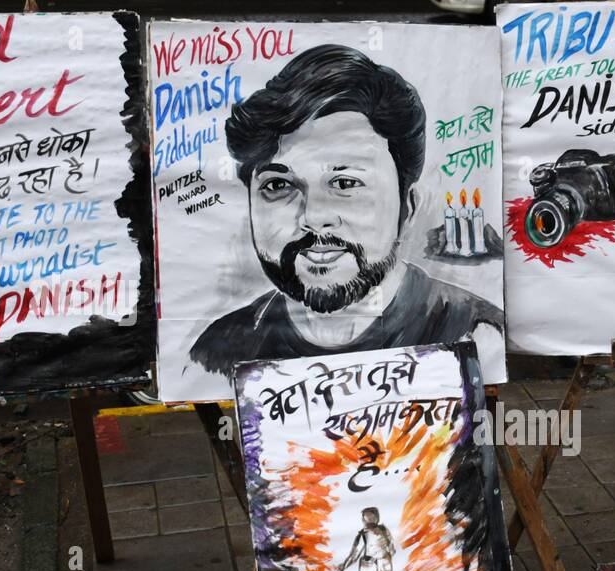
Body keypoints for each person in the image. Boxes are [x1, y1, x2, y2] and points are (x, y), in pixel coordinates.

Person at [189, 44, 503, 379]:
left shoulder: (475, 337)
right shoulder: (216, 353)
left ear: (406, 208)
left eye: (345, 183)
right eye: (279, 186)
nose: (313, 216)